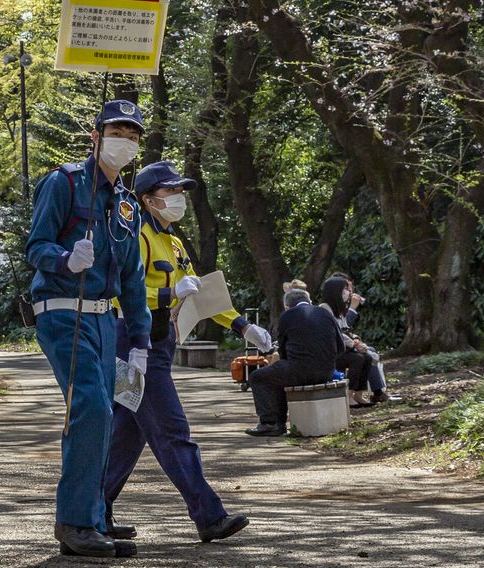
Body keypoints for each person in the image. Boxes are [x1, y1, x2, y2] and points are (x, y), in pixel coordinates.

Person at [101, 161, 259, 544]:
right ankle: (209, 516)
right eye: (171, 192)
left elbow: (203, 296)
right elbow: (122, 292)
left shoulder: (172, 242)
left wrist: (243, 326)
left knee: (126, 433)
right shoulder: (136, 235)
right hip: (135, 344)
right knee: (173, 432)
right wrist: (172, 293)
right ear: (149, 199)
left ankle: (91, 514)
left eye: (181, 191)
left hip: (157, 345)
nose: (179, 198)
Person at [25, 99, 153, 558]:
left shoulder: (125, 205)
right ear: (95, 136)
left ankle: (95, 517)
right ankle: (75, 522)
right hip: (62, 310)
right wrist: (64, 258)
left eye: (134, 135)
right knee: (92, 409)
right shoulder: (63, 182)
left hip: (103, 317)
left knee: (105, 415)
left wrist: (140, 339)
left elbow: (134, 278)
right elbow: (36, 245)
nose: (126, 141)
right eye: (117, 131)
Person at [244, 286, 342, 436]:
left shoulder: (287, 316)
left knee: (258, 377)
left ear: (286, 306)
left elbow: (282, 350)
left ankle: (270, 422)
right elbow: (340, 346)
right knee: (278, 374)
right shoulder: (325, 314)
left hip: (299, 369)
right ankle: (277, 423)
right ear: (310, 301)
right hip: (327, 370)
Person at [317, 275, 387, 407]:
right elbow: (334, 332)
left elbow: (346, 330)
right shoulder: (324, 308)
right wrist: (353, 344)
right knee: (358, 359)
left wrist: (356, 340)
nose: (348, 292)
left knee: (366, 357)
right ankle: (349, 394)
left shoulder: (340, 309)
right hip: (331, 352)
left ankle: (358, 394)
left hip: (344, 348)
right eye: (344, 289)